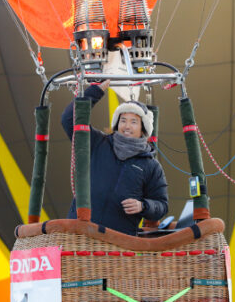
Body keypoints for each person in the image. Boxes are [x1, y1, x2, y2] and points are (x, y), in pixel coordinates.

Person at [62, 80, 168, 235]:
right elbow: (69, 119)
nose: (127, 126)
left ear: (143, 128)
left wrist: (143, 206)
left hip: (118, 244)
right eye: (123, 120)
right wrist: (96, 90)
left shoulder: (151, 166)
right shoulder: (98, 142)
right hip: (80, 235)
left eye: (134, 122)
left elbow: (162, 205)